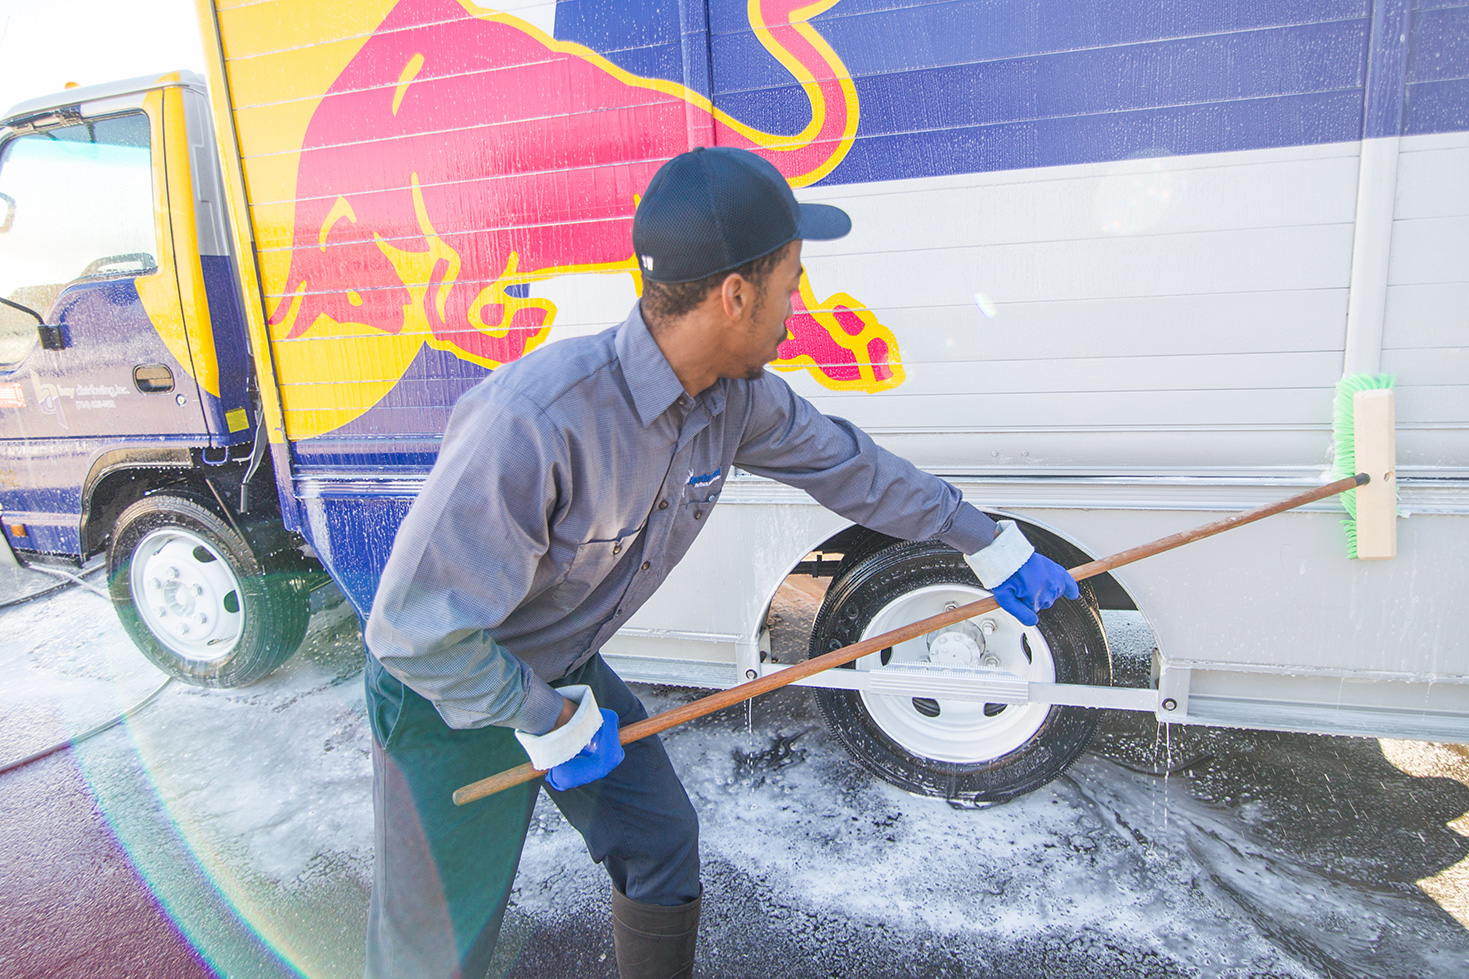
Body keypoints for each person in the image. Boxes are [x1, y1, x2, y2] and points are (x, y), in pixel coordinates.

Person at [361, 146, 1079, 979]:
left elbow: (851, 468)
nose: (795, 308)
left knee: (659, 840)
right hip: (448, 695)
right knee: (435, 948)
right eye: (790, 282)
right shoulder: (535, 420)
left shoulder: (734, 400)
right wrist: (545, 717)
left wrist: (984, 540)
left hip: (563, 666)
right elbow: (414, 634)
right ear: (735, 295)